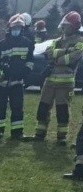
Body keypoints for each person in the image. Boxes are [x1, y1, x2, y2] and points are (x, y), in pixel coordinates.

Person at [34, 11, 83, 145]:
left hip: (65, 83)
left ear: (73, 27)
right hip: (49, 81)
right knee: (43, 107)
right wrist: (64, 52)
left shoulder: (80, 42)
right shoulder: (57, 41)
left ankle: (61, 137)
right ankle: (39, 133)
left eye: (66, 25)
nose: (63, 27)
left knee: (62, 110)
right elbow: (49, 54)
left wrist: (58, 57)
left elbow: (73, 58)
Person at [0, 14, 34, 140]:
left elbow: (30, 61)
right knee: (0, 107)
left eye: (19, 28)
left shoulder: (28, 44)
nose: (16, 30)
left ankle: (17, 133)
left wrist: (25, 73)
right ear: (9, 29)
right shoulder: (2, 44)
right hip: (1, 83)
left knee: (17, 107)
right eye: (14, 28)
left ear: (22, 29)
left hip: (17, 82)